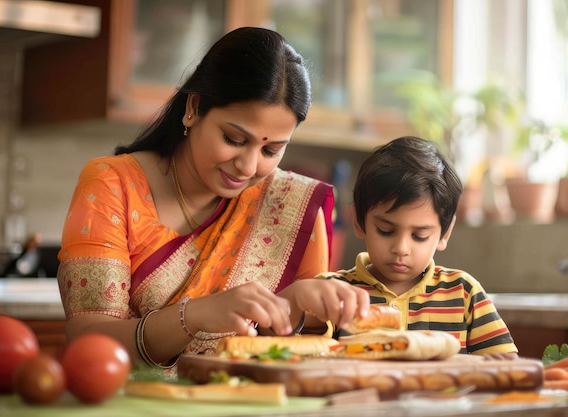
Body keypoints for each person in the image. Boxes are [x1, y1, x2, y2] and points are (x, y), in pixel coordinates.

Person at [57, 27, 369, 369]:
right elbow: (87, 344)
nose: (248, 166)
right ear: (194, 108)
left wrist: (293, 306)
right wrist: (195, 315)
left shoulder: (291, 204)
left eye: (271, 149)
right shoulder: (113, 184)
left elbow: (303, 357)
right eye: (234, 139)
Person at [318, 136, 518, 359]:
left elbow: (507, 366)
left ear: (445, 233)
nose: (401, 248)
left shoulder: (464, 293)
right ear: (358, 221)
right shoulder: (333, 292)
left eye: (420, 236)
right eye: (386, 230)